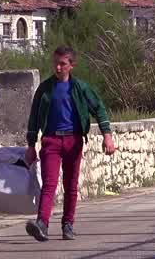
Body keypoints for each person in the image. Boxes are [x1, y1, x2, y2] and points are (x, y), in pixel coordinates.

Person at [24, 45, 116, 242]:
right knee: (49, 184)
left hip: (73, 140)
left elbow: (98, 108)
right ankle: (42, 224)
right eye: (55, 63)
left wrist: (107, 135)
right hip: (51, 140)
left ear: (71, 65)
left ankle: (68, 225)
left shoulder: (80, 88)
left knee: (71, 185)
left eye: (62, 64)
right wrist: (31, 145)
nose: (58, 68)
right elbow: (33, 117)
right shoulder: (45, 88)